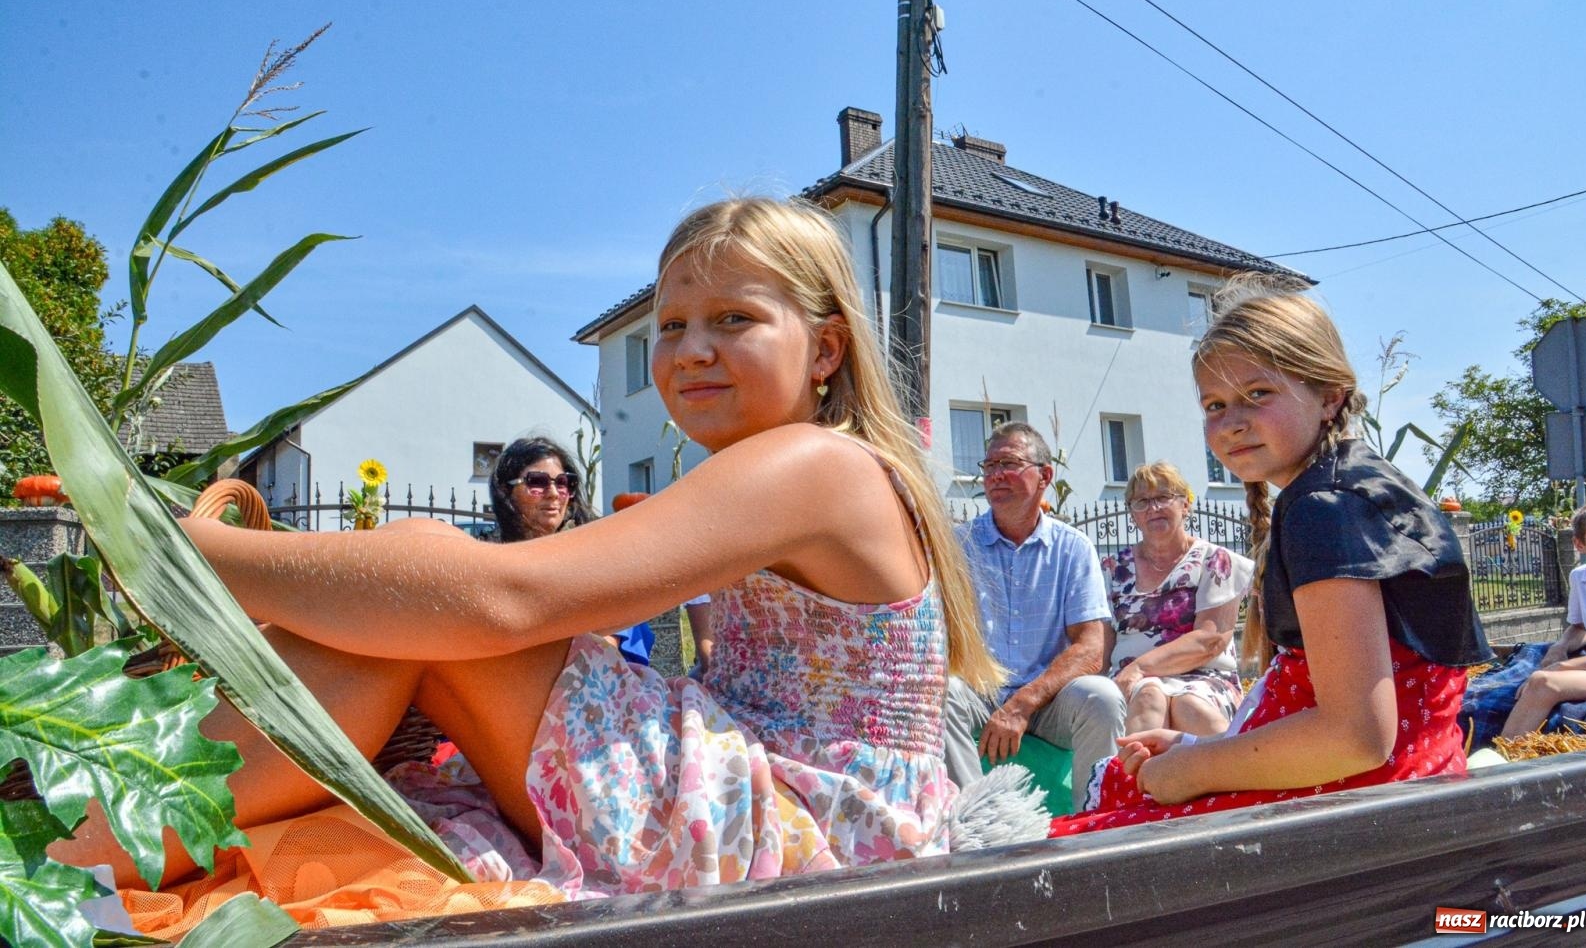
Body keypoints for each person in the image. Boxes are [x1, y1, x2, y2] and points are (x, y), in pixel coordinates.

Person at [60, 196, 1007, 904]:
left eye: (734, 319)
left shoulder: (812, 466)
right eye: (670, 327)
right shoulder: (806, 469)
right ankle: (96, 841)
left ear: (827, 350)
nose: (689, 350)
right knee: (410, 603)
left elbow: (505, 598)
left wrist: (181, 555)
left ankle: (75, 857)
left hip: (805, 837)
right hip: (797, 809)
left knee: (431, 604)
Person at [1051, 273, 1492, 837]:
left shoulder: (1325, 509)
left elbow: (1356, 736)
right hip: (1409, 774)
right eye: (1214, 404)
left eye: (1258, 395)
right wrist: (1196, 746)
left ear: (1329, 395)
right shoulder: (1357, 486)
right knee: (1121, 786)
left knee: (1087, 839)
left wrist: (1192, 768)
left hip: (1363, 801)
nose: (1232, 422)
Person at [943, 421, 1122, 809]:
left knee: (1102, 697)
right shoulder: (958, 547)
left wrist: (1023, 703)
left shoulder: (1072, 548)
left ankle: (1093, 820)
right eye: (989, 466)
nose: (995, 476)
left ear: (1045, 476)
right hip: (980, 692)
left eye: (1008, 463)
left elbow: (1092, 649)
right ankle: (977, 818)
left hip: (1047, 702)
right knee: (943, 692)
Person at [1104, 462, 1251, 736]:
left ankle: (1242, 776)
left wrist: (1140, 667)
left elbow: (1210, 640)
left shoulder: (1215, 560)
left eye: (1163, 497)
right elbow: (1102, 644)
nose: (1153, 508)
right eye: (1142, 502)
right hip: (1131, 682)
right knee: (1148, 699)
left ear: (1185, 505)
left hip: (1204, 676)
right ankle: (1134, 779)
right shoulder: (1112, 569)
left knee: (1190, 707)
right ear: (1133, 515)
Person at [489, 436, 656, 666]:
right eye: (537, 482)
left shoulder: (592, 559)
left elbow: (616, 644)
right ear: (506, 491)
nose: (554, 493)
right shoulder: (491, 566)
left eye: (563, 482)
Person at [1499, 502, 1586, 738]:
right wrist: (1560, 646)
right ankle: (1504, 764)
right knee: (1541, 682)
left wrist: (1564, 666)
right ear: (1579, 544)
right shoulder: (1580, 578)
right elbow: (1580, 626)